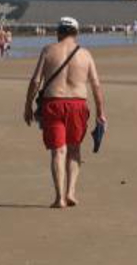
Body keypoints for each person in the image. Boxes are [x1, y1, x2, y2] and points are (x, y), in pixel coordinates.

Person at [23, 17, 107, 208]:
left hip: (53, 103)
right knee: (74, 148)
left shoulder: (48, 50)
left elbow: (36, 81)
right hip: (77, 104)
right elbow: (96, 85)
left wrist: (28, 105)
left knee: (58, 151)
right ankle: (71, 192)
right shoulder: (85, 55)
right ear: (76, 33)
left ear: (58, 32)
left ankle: (59, 197)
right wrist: (100, 112)